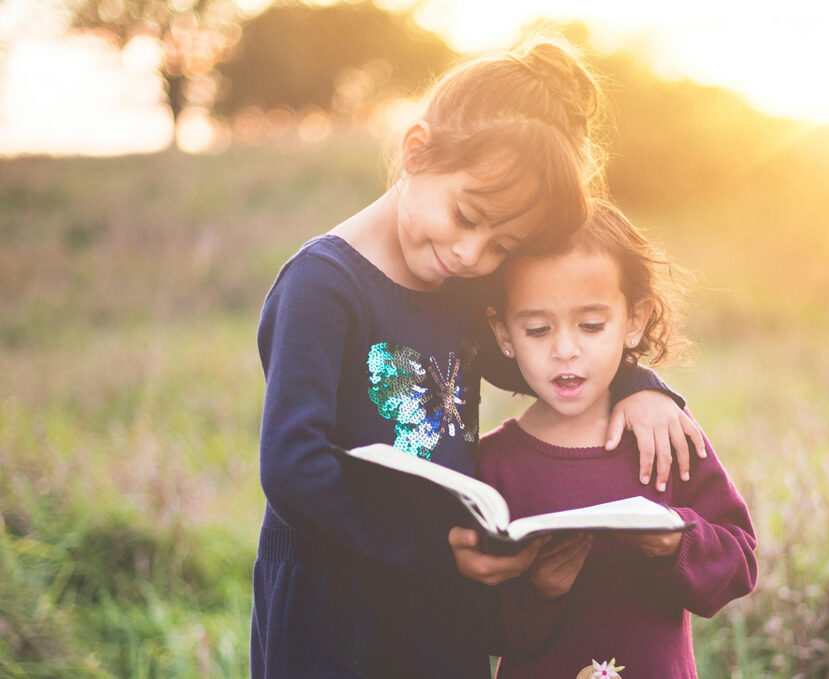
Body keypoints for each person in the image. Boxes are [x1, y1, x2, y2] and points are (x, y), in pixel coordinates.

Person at [251, 39, 706, 679]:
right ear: (416, 151)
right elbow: (293, 468)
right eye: (466, 216)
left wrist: (639, 384)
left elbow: (542, 363)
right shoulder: (323, 286)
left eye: (502, 244)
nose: (472, 254)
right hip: (337, 600)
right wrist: (435, 553)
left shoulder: (456, 287)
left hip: (442, 597)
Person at [479, 199, 758, 679]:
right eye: (537, 329)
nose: (566, 350)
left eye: (591, 325)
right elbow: (473, 624)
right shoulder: (491, 464)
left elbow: (739, 565)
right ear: (503, 331)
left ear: (634, 320)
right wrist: (537, 591)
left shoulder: (665, 435)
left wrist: (677, 541)